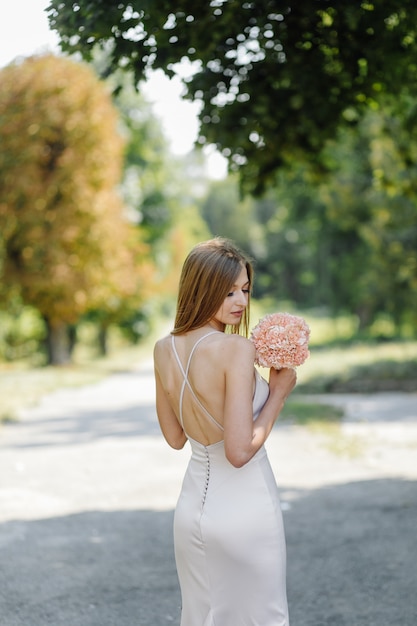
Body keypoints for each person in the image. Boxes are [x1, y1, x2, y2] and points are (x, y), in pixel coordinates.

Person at [153, 237, 297, 626]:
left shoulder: (163, 349)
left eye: (245, 290)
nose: (241, 302)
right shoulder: (235, 349)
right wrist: (278, 394)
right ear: (202, 289)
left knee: (202, 617)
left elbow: (175, 437)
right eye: (229, 291)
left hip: (190, 511)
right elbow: (238, 451)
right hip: (244, 507)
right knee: (262, 618)